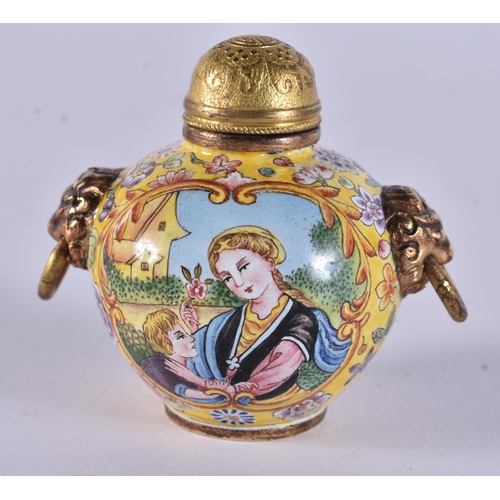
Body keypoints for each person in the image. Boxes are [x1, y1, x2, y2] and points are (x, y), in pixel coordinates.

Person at [170, 226, 351, 403]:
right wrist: (193, 332)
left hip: (273, 403)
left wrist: (237, 390)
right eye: (227, 278)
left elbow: (280, 368)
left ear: (270, 263)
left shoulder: (300, 319)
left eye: (243, 267)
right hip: (222, 401)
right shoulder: (224, 322)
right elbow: (187, 358)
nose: (239, 282)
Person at [140, 308, 226, 402]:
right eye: (181, 336)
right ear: (165, 344)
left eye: (186, 333)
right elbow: (183, 391)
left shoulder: (194, 362)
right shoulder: (155, 364)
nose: (191, 338)